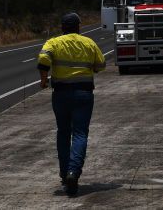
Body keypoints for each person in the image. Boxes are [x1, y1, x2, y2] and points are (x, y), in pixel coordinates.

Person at [38, 12, 106, 196]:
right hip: (83, 94)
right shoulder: (88, 43)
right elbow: (101, 64)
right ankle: (73, 172)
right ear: (79, 27)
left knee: (63, 132)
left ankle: (63, 172)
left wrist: (44, 80)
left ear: (62, 27)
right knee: (80, 133)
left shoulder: (54, 42)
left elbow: (43, 59)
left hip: (60, 95)